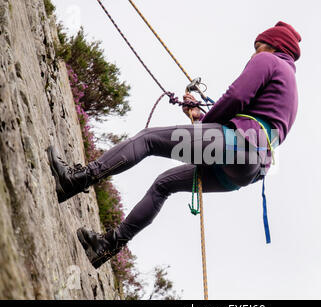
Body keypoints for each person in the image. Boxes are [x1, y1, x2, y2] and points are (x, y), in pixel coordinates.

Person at [47, 21, 301, 269]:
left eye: (258, 46)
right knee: (163, 185)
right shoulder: (291, 87)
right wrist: (200, 119)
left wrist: (202, 126)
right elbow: (253, 123)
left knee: (147, 139)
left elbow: (236, 97)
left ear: (272, 44)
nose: (254, 52)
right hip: (248, 169)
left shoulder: (268, 60)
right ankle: (107, 246)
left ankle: (77, 179)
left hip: (237, 145)